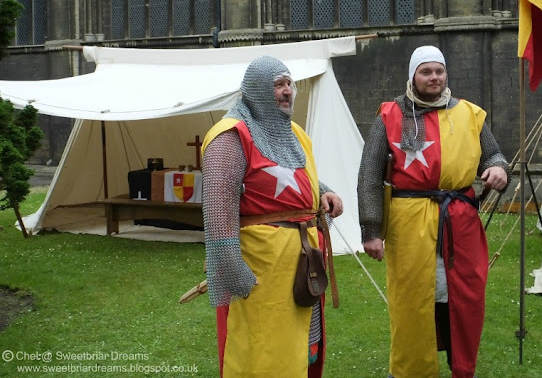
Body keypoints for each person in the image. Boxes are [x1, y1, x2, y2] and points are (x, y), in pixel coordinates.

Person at [357, 45, 509, 378]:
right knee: (411, 301)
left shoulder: (470, 114)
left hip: (460, 221)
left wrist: (499, 169)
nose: (434, 78)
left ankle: (461, 366)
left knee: (465, 298)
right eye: (426, 72)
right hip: (409, 222)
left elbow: (494, 156)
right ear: (413, 75)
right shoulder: (390, 116)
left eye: (439, 71)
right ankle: (411, 370)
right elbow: (369, 176)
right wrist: (371, 230)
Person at [201, 55, 343, 378]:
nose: (287, 91)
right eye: (278, 85)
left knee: (301, 352)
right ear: (257, 90)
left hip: (303, 262)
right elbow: (218, 211)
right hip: (261, 271)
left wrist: (324, 193)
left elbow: (295, 176)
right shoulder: (230, 137)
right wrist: (232, 270)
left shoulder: (293, 133)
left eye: (289, 84)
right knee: (262, 357)